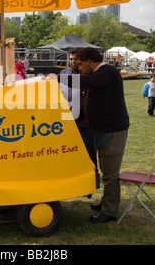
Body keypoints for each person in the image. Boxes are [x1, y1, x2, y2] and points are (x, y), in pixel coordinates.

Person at [59, 47, 129, 223]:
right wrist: (74, 122)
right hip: (101, 129)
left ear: (89, 61)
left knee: (110, 172)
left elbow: (88, 83)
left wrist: (59, 78)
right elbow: (86, 105)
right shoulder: (96, 77)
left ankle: (110, 211)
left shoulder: (108, 73)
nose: (79, 68)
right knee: (105, 168)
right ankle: (106, 202)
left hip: (112, 130)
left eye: (81, 64)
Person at [59, 49, 99, 188]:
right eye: (70, 59)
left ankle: (93, 179)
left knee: (88, 152)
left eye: (75, 59)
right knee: (67, 151)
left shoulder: (87, 76)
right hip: (66, 120)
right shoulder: (63, 74)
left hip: (85, 122)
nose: (73, 61)